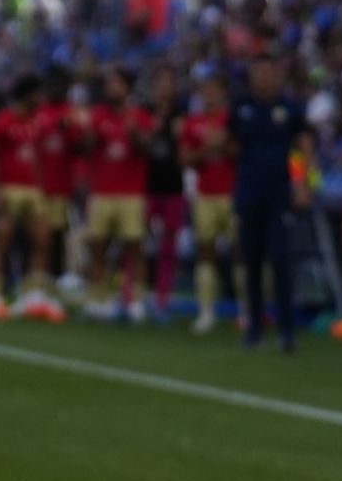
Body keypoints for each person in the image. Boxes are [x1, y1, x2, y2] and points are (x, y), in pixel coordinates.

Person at [228, 54, 314, 352]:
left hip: (279, 193)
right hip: (248, 191)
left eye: (268, 72)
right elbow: (230, 146)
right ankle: (254, 328)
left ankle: (286, 331)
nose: (263, 78)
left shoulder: (289, 109)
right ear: (252, 77)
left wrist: (303, 184)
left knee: (280, 259)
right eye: (259, 72)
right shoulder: (241, 108)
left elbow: (302, 147)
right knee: (251, 262)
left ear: (277, 76)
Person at [82, 68, 156, 321]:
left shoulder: (139, 116)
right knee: (98, 247)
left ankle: (135, 301)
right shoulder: (98, 115)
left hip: (131, 193)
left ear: (127, 88)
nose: (112, 88)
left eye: (117, 83)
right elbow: (85, 147)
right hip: (102, 192)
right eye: (110, 84)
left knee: (135, 248)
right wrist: (90, 134)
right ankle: (98, 298)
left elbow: (148, 148)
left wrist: (135, 135)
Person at [0, 73, 48, 321]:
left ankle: (33, 294)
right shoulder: (3, 121)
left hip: (33, 189)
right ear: (27, 94)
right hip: (9, 188)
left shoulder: (37, 122)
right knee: (2, 241)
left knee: (41, 241)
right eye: (36, 93)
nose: (40, 98)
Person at [179, 74, 238, 333]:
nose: (209, 95)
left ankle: (247, 312)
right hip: (204, 194)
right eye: (205, 90)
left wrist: (223, 144)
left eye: (214, 90)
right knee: (206, 251)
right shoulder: (193, 123)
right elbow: (184, 160)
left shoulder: (233, 120)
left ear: (224, 93)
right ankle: (206, 312)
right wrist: (207, 148)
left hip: (233, 193)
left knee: (241, 252)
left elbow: (241, 153)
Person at [145, 66, 189, 320]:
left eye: (169, 82)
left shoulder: (182, 115)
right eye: (161, 82)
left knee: (169, 246)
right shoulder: (144, 113)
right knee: (135, 242)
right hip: (146, 186)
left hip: (173, 187)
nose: (165, 87)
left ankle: (163, 297)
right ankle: (132, 295)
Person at [33, 66, 79, 306]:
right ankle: (36, 283)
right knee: (39, 238)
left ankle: (54, 282)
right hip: (38, 187)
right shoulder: (38, 113)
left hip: (61, 187)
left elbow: (81, 147)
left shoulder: (71, 114)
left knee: (57, 236)